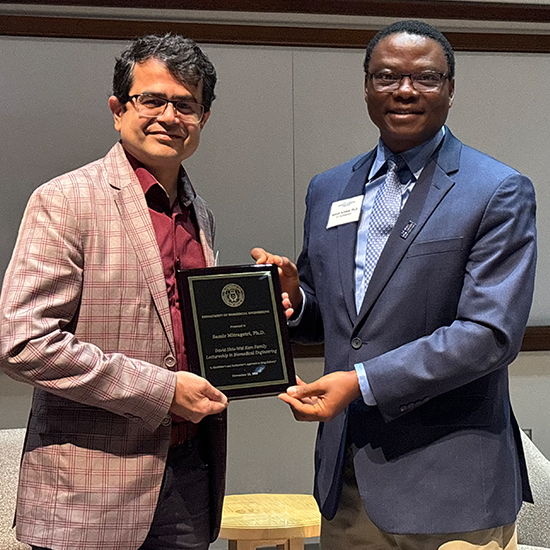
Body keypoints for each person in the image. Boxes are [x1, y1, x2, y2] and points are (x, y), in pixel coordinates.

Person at [252, 19, 537, 550]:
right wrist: (293, 303)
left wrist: (359, 382)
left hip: (451, 485)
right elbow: (336, 321)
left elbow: (490, 335)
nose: (405, 90)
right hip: (349, 479)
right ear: (366, 86)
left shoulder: (496, 190)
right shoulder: (329, 187)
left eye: (426, 78)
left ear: (451, 89)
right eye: (387, 76)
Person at [0, 34, 228, 550]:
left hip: (190, 476)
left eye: (186, 105)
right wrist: (163, 391)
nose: (169, 116)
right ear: (118, 109)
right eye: (152, 99)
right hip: (89, 492)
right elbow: (22, 341)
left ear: (203, 119)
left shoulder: (201, 214)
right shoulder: (64, 201)